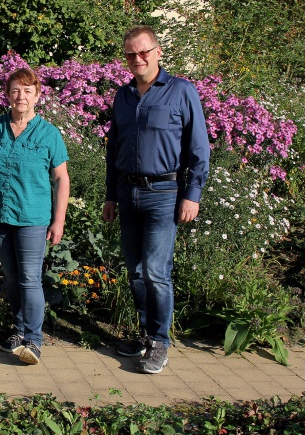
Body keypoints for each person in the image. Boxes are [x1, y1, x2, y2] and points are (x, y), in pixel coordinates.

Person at [103, 25, 210, 374]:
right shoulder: (123, 96)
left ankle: (160, 342)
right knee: (135, 271)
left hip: (164, 193)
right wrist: (110, 195)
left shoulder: (181, 91)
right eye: (131, 54)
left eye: (144, 52)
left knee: (155, 271)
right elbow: (114, 150)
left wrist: (192, 195)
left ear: (158, 52)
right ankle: (146, 335)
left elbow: (199, 148)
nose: (138, 58)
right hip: (127, 191)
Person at [0, 67, 70, 365]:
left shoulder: (49, 134)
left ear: (37, 95)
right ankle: (19, 330)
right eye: (15, 90)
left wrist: (58, 220)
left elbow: (61, 178)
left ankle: (34, 340)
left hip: (32, 217)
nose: (21, 96)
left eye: (27, 91)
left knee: (29, 278)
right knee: (12, 277)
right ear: (7, 95)